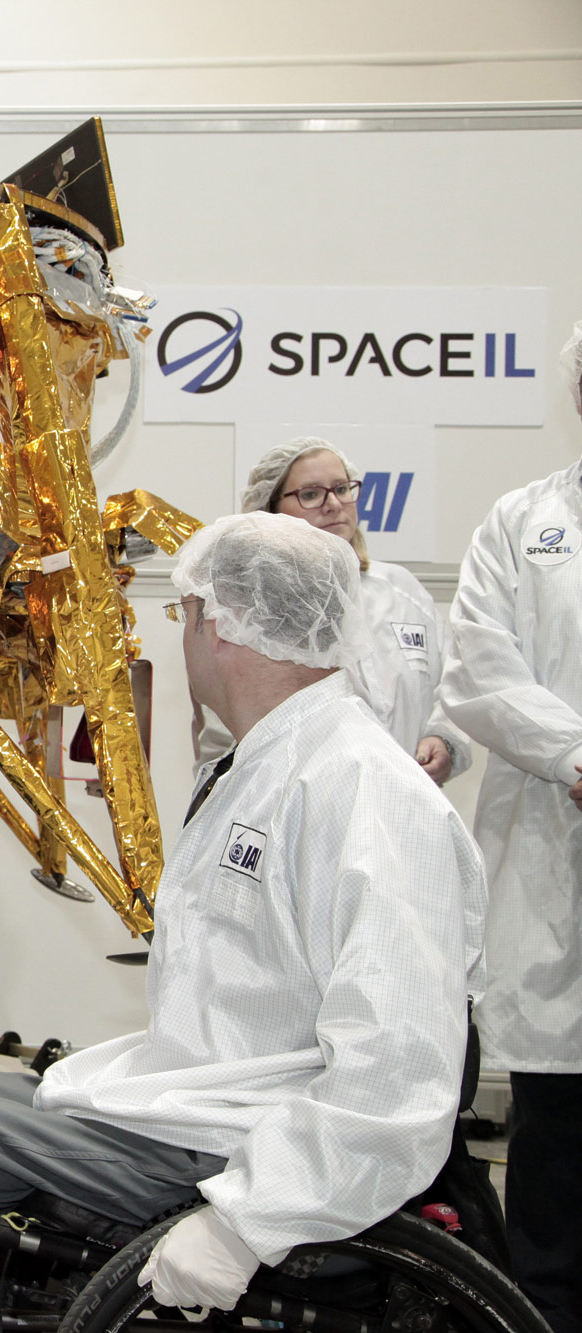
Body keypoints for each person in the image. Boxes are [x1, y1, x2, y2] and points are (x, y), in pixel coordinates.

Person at [0, 511, 484, 1331]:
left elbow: (396, 1073)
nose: (184, 635)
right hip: (209, 1101)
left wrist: (245, 1219)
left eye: (185, 612)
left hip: (254, 1141)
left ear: (222, 623)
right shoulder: (267, 762)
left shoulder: (365, 789)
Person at [436, 319, 582, 1333]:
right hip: (554, 848)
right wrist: (575, 755)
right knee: (554, 1149)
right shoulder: (522, 522)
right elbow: (477, 674)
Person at [192, 437, 471, 786]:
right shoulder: (250, 605)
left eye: (341, 488)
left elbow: (454, 684)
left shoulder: (402, 591)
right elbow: (225, 736)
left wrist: (443, 739)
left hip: (407, 806)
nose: (333, 504)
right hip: (297, 808)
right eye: (311, 494)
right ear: (269, 510)